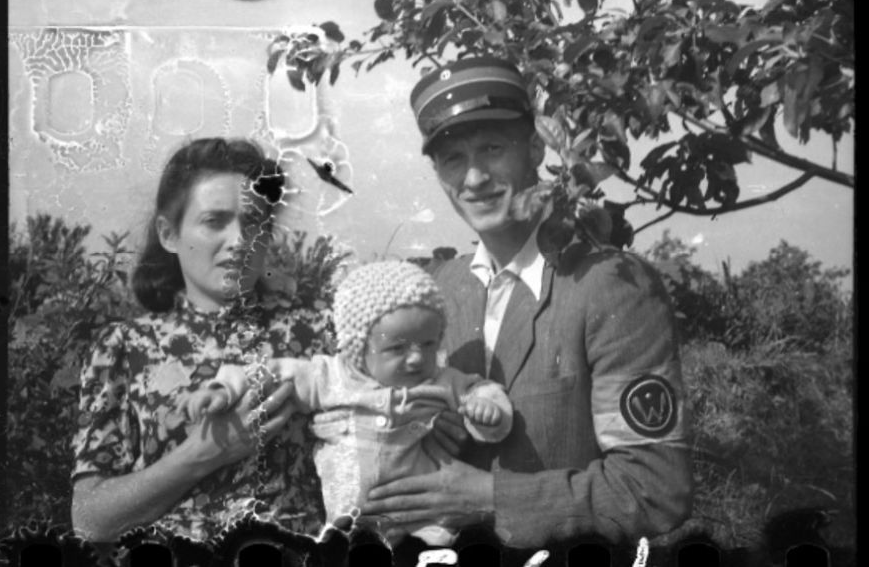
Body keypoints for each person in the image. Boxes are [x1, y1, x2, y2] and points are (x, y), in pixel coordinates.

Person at [360, 57, 693, 551]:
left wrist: (488, 496)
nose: (473, 178)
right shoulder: (431, 295)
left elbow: (654, 489)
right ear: (437, 172)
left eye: (492, 148)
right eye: (453, 158)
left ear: (535, 146)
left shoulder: (612, 285)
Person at [70, 138, 335, 542]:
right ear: (169, 233)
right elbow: (89, 520)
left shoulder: (318, 330)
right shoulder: (123, 347)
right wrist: (203, 453)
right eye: (215, 221)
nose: (239, 241)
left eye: (253, 223)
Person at [183, 260, 513, 546]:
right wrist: (225, 389)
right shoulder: (332, 377)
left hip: (426, 523)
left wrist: (488, 412)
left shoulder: (441, 381)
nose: (416, 359)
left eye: (427, 344)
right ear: (359, 345)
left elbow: (481, 391)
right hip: (349, 523)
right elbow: (272, 372)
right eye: (397, 348)